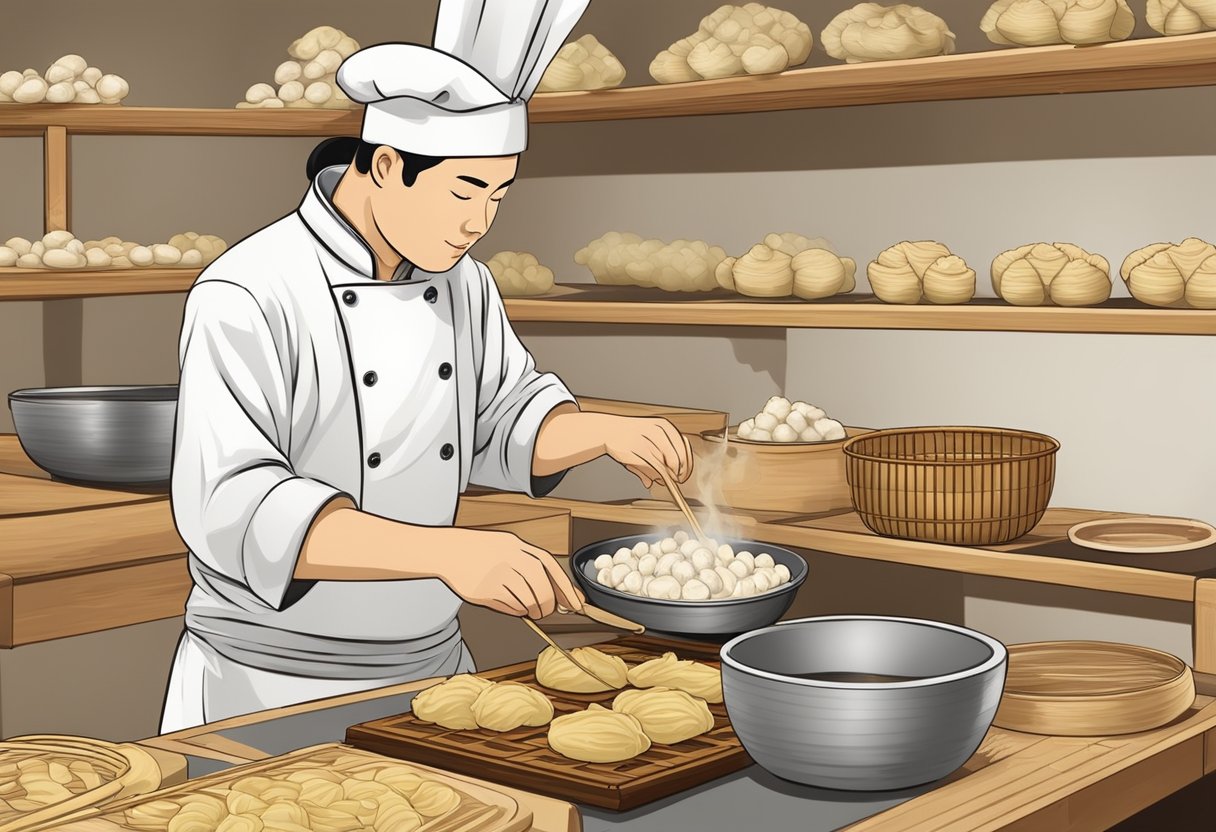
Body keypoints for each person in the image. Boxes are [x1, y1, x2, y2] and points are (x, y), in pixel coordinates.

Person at [160, 0, 692, 733]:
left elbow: (500, 420)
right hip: (268, 682)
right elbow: (235, 507)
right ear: (385, 165)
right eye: (464, 191)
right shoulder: (250, 288)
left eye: (499, 196)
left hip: (434, 673)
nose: (478, 222)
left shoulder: (463, 280)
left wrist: (599, 430)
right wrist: (446, 552)